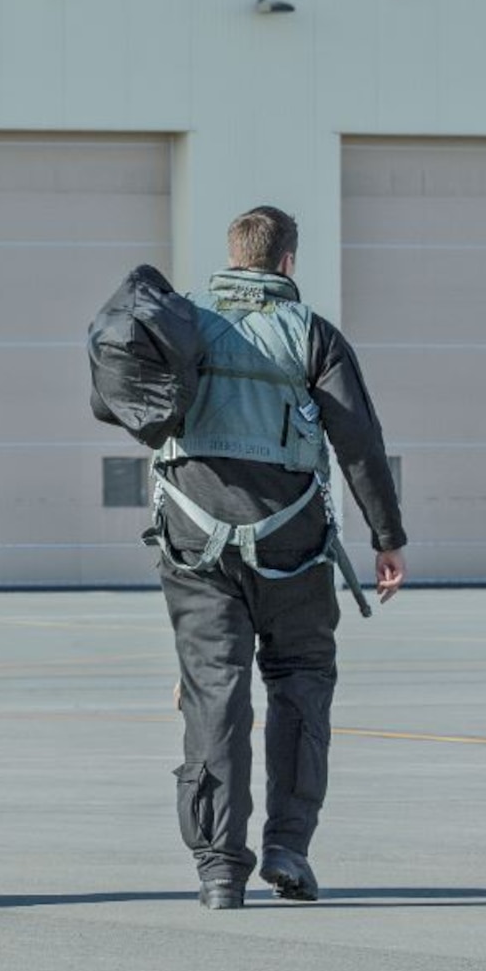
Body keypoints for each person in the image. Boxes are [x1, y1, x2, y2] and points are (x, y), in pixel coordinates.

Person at [144, 206, 406, 909]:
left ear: (232, 256)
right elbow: (358, 440)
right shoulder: (312, 333)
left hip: (195, 543)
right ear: (287, 261)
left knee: (214, 692)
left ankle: (219, 868)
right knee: (300, 683)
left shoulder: (185, 323)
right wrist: (387, 536)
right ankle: (289, 846)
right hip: (291, 544)